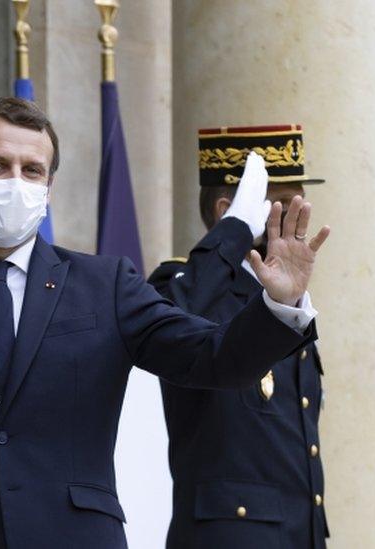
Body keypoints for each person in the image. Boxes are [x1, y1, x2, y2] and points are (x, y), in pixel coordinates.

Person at [0, 99, 330, 548]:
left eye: (32, 170)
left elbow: (211, 358)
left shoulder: (103, 284)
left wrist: (277, 307)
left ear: (49, 186)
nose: (15, 183)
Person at [148, 125, 328, 548]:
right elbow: (168, 321)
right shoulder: (183, 283)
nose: (298, 216)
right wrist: (232, 234)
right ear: (229, 210)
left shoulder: (286, 298)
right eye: (282, 205)